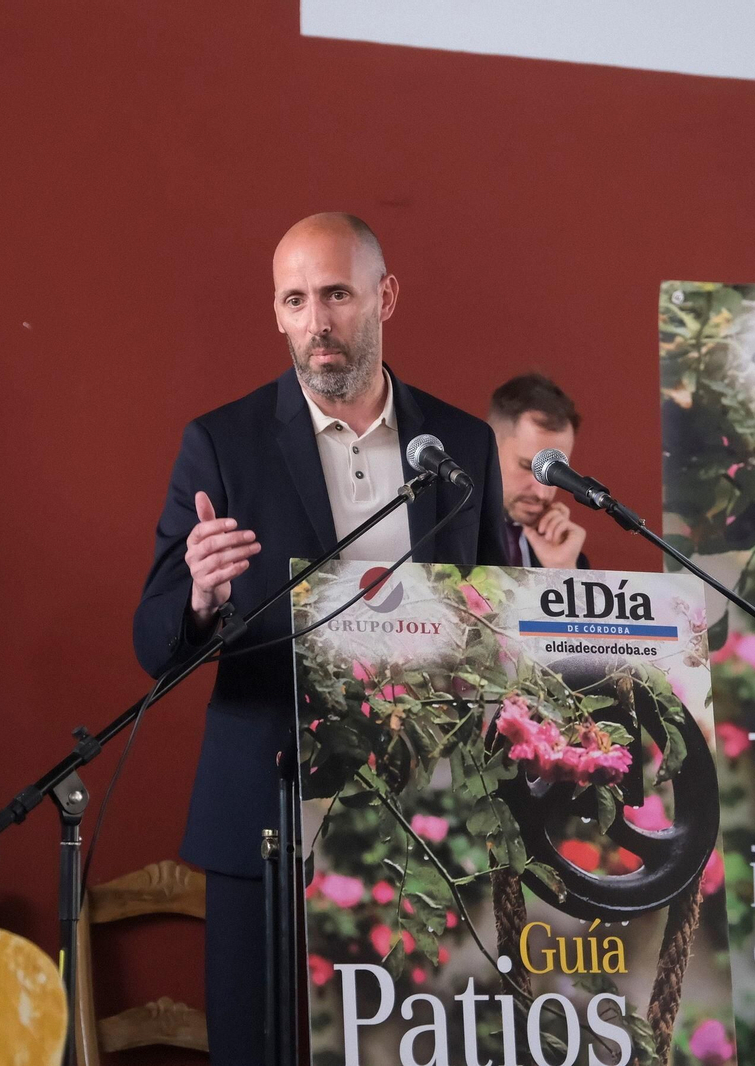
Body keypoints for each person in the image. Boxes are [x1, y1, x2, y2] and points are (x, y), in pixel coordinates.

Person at [132, 213, 508, 1064]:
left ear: (386, 296)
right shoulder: (221, 446)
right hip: (265, 813)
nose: (318, 322)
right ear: (277, 313)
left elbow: (497, 626)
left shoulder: (462, 448)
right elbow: (153, 642)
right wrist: (197, 596)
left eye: (336, 294)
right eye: (295, 300)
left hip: (427, 816)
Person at [488, 372, 590, 569]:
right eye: (527, 466)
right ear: (490, 449)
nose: (542, 492)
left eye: (555, 473)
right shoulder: (440, 538)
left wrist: (563, 570)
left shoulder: (569, 557)